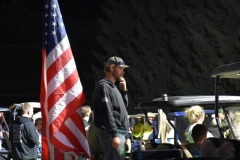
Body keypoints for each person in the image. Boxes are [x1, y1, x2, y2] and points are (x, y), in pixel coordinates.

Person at [93, 56, 129, 160]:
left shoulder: (113, 87)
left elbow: (123, 109)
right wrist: (114, 134)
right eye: (121, 68)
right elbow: (106, 112)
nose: (123, 71)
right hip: (112, 134)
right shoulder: (104, 86)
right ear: (112, 68)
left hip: (118, 133)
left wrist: (124, 91)